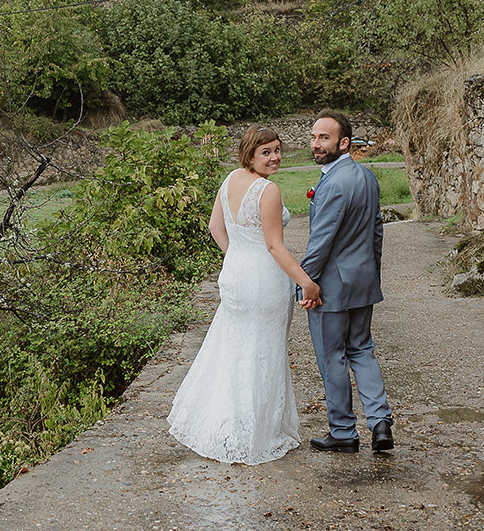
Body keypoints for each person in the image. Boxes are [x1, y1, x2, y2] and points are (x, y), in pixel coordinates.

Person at [168, 126, 323, 465]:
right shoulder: (268, 191)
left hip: (235, 275)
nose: (275, 157)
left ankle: (224, 423)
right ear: (249, 154)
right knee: (262, 350)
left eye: (278, 150)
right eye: (266, 152)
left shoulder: (230, 180)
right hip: (263, 279)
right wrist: (306, 282)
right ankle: (254, 433)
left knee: (236, 347)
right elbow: (273, 245)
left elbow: (216, 228)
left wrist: (236, 255)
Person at [301, 110, 393, 453]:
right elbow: (376, 232)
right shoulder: (367, 178)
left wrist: (305, 284)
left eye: (324, 138)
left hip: (331, 289)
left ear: (344, 142)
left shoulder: (334, 184)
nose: (316, 144)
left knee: (333, 357)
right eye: (313, 137)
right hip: (362, 282)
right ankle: (380, 421)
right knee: (362, 350)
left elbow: (320, 244)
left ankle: (342, 432)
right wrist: (372, 275)